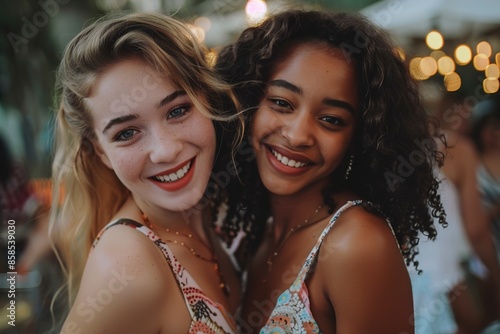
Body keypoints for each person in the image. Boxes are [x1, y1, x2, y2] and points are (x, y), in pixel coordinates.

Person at [216, 9, 446, 333]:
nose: (297, 135)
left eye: (331, 120)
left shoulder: (358, 244)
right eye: (282, 103)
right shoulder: (258, 234)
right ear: (248, 102)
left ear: (358, 140)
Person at [50, 12, 243, 333]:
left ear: (206, 99)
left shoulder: (222, 209)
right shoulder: (127, 266)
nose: (166, 150)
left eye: (178, 110)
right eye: (126, 133)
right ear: (101, 151)